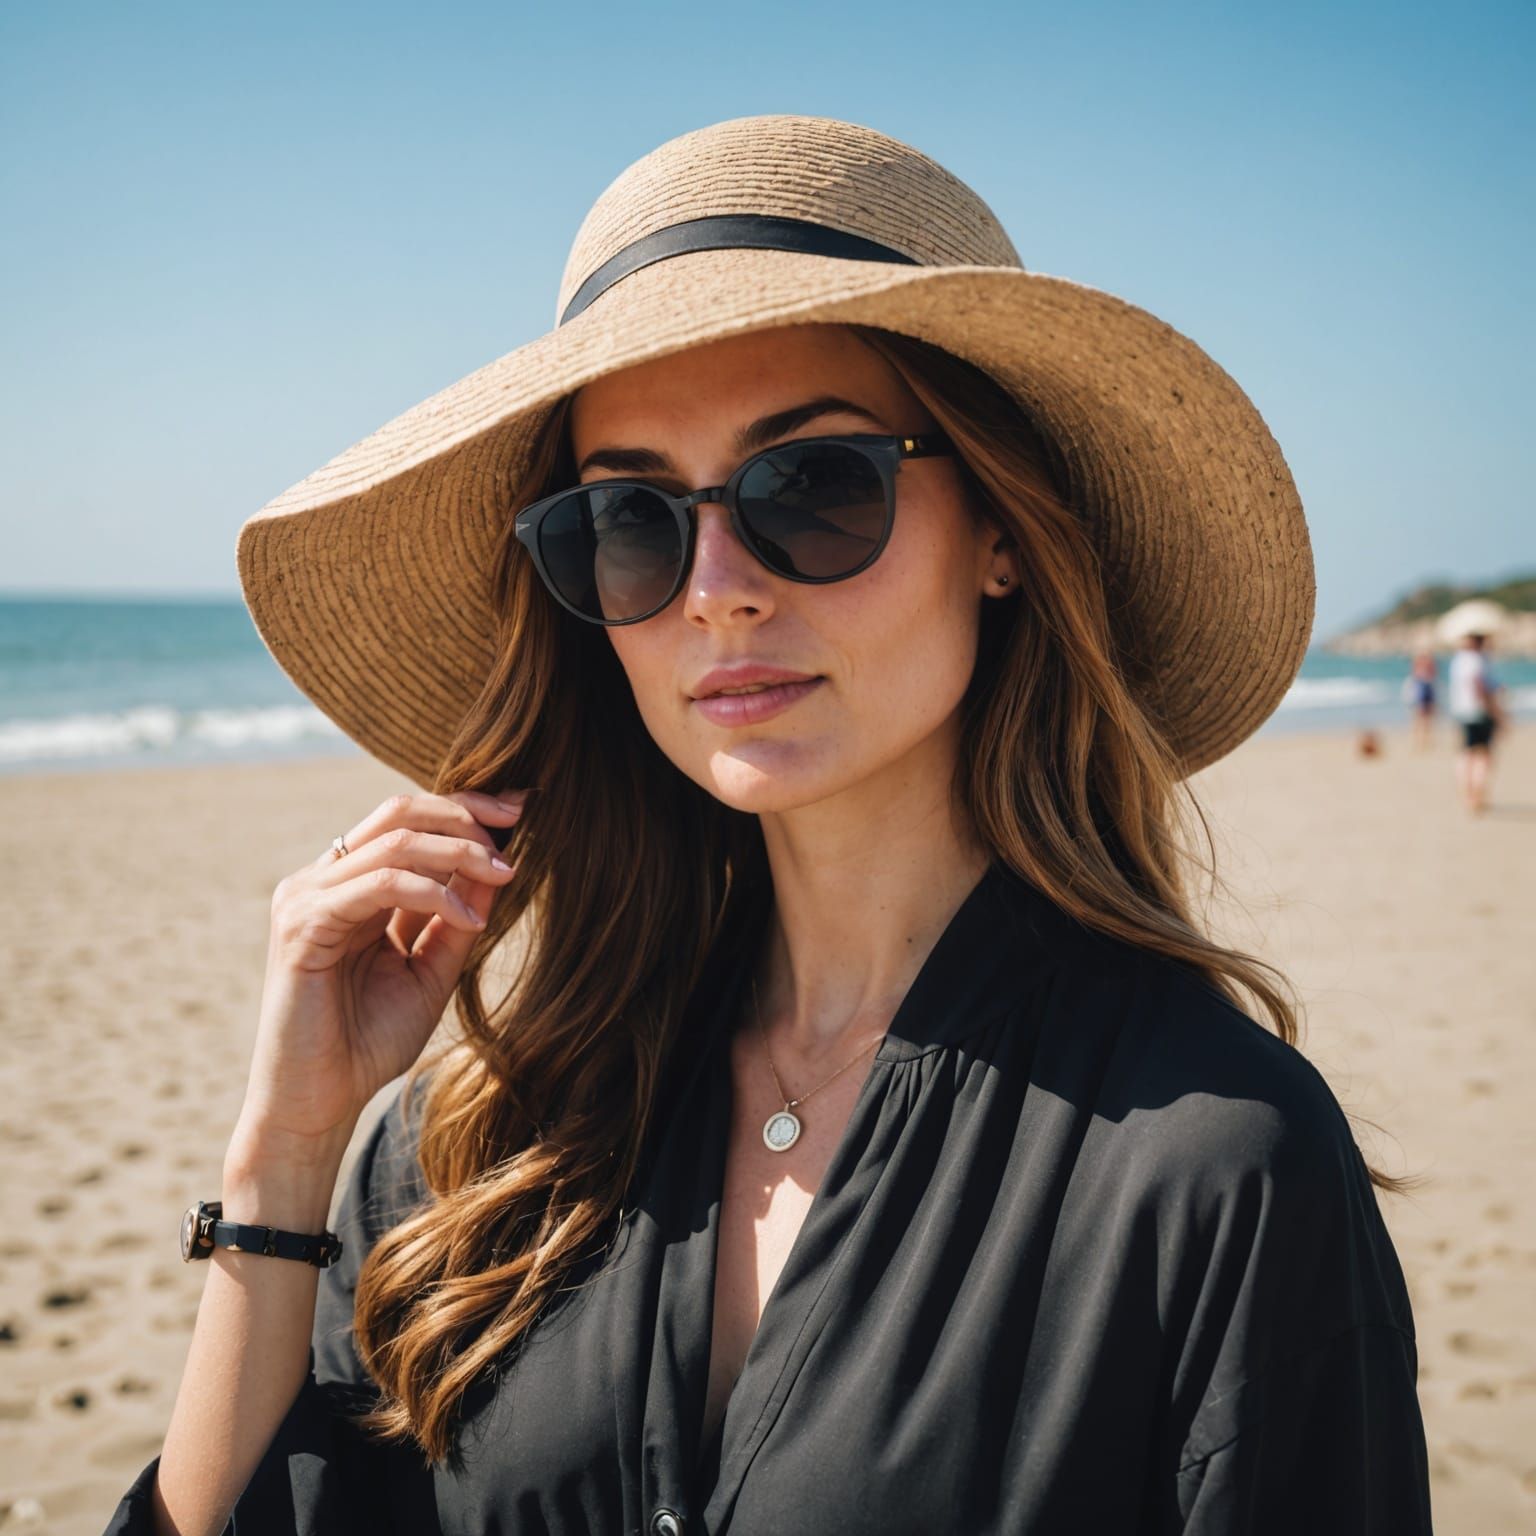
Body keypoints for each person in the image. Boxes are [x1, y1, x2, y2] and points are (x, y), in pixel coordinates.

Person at [105, 115, 1432, 1535]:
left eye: (813, 486)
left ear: (1000, 531)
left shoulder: (1213, 1166)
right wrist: (283, 1160)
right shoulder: (461, 1152)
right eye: (631, 518)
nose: (716, 589)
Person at [1447, 631, 1505, 813]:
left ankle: (1467, 794)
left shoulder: (1458, 661)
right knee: (1483, 754)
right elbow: (1480, 687)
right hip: (1480, 712)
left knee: (1466, 752)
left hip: (1461, 712)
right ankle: (1477, 795)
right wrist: (1495, 712)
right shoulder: (1478, 660)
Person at [1403, 649, 1438, 750]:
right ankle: (1418, 742)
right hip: (1421, 688)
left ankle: (1424, 742)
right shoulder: (1419, 664)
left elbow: (1433, 673)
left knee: (1426, 718)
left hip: (1425, 688)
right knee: (1419, 717)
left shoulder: (1427, 663)